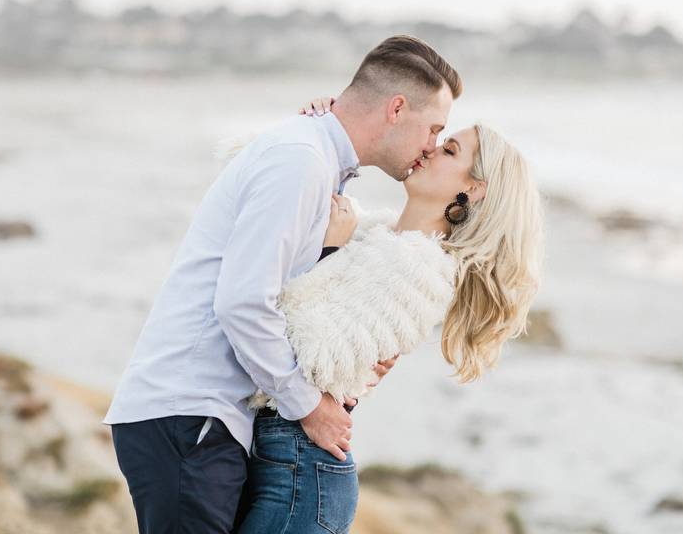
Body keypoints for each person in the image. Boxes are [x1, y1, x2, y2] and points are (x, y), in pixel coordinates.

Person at [103, 35, 461, 534]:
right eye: (435, 128)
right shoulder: (301, 160)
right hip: (190, 415)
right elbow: (243, 303)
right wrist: (309, 406)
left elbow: (290, 297)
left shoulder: (312, 157)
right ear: (397, 107)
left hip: (202, 418)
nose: (431, 146)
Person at [235, 99, 544, 534]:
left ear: (475, 189)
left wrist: (330, 251)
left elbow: (312, 353)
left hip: (303, 470)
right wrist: (324, 127)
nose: (431, 148)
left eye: (450, 150)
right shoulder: (375, 234)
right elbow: (271, 183)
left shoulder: (421, 269)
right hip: (284, 457)